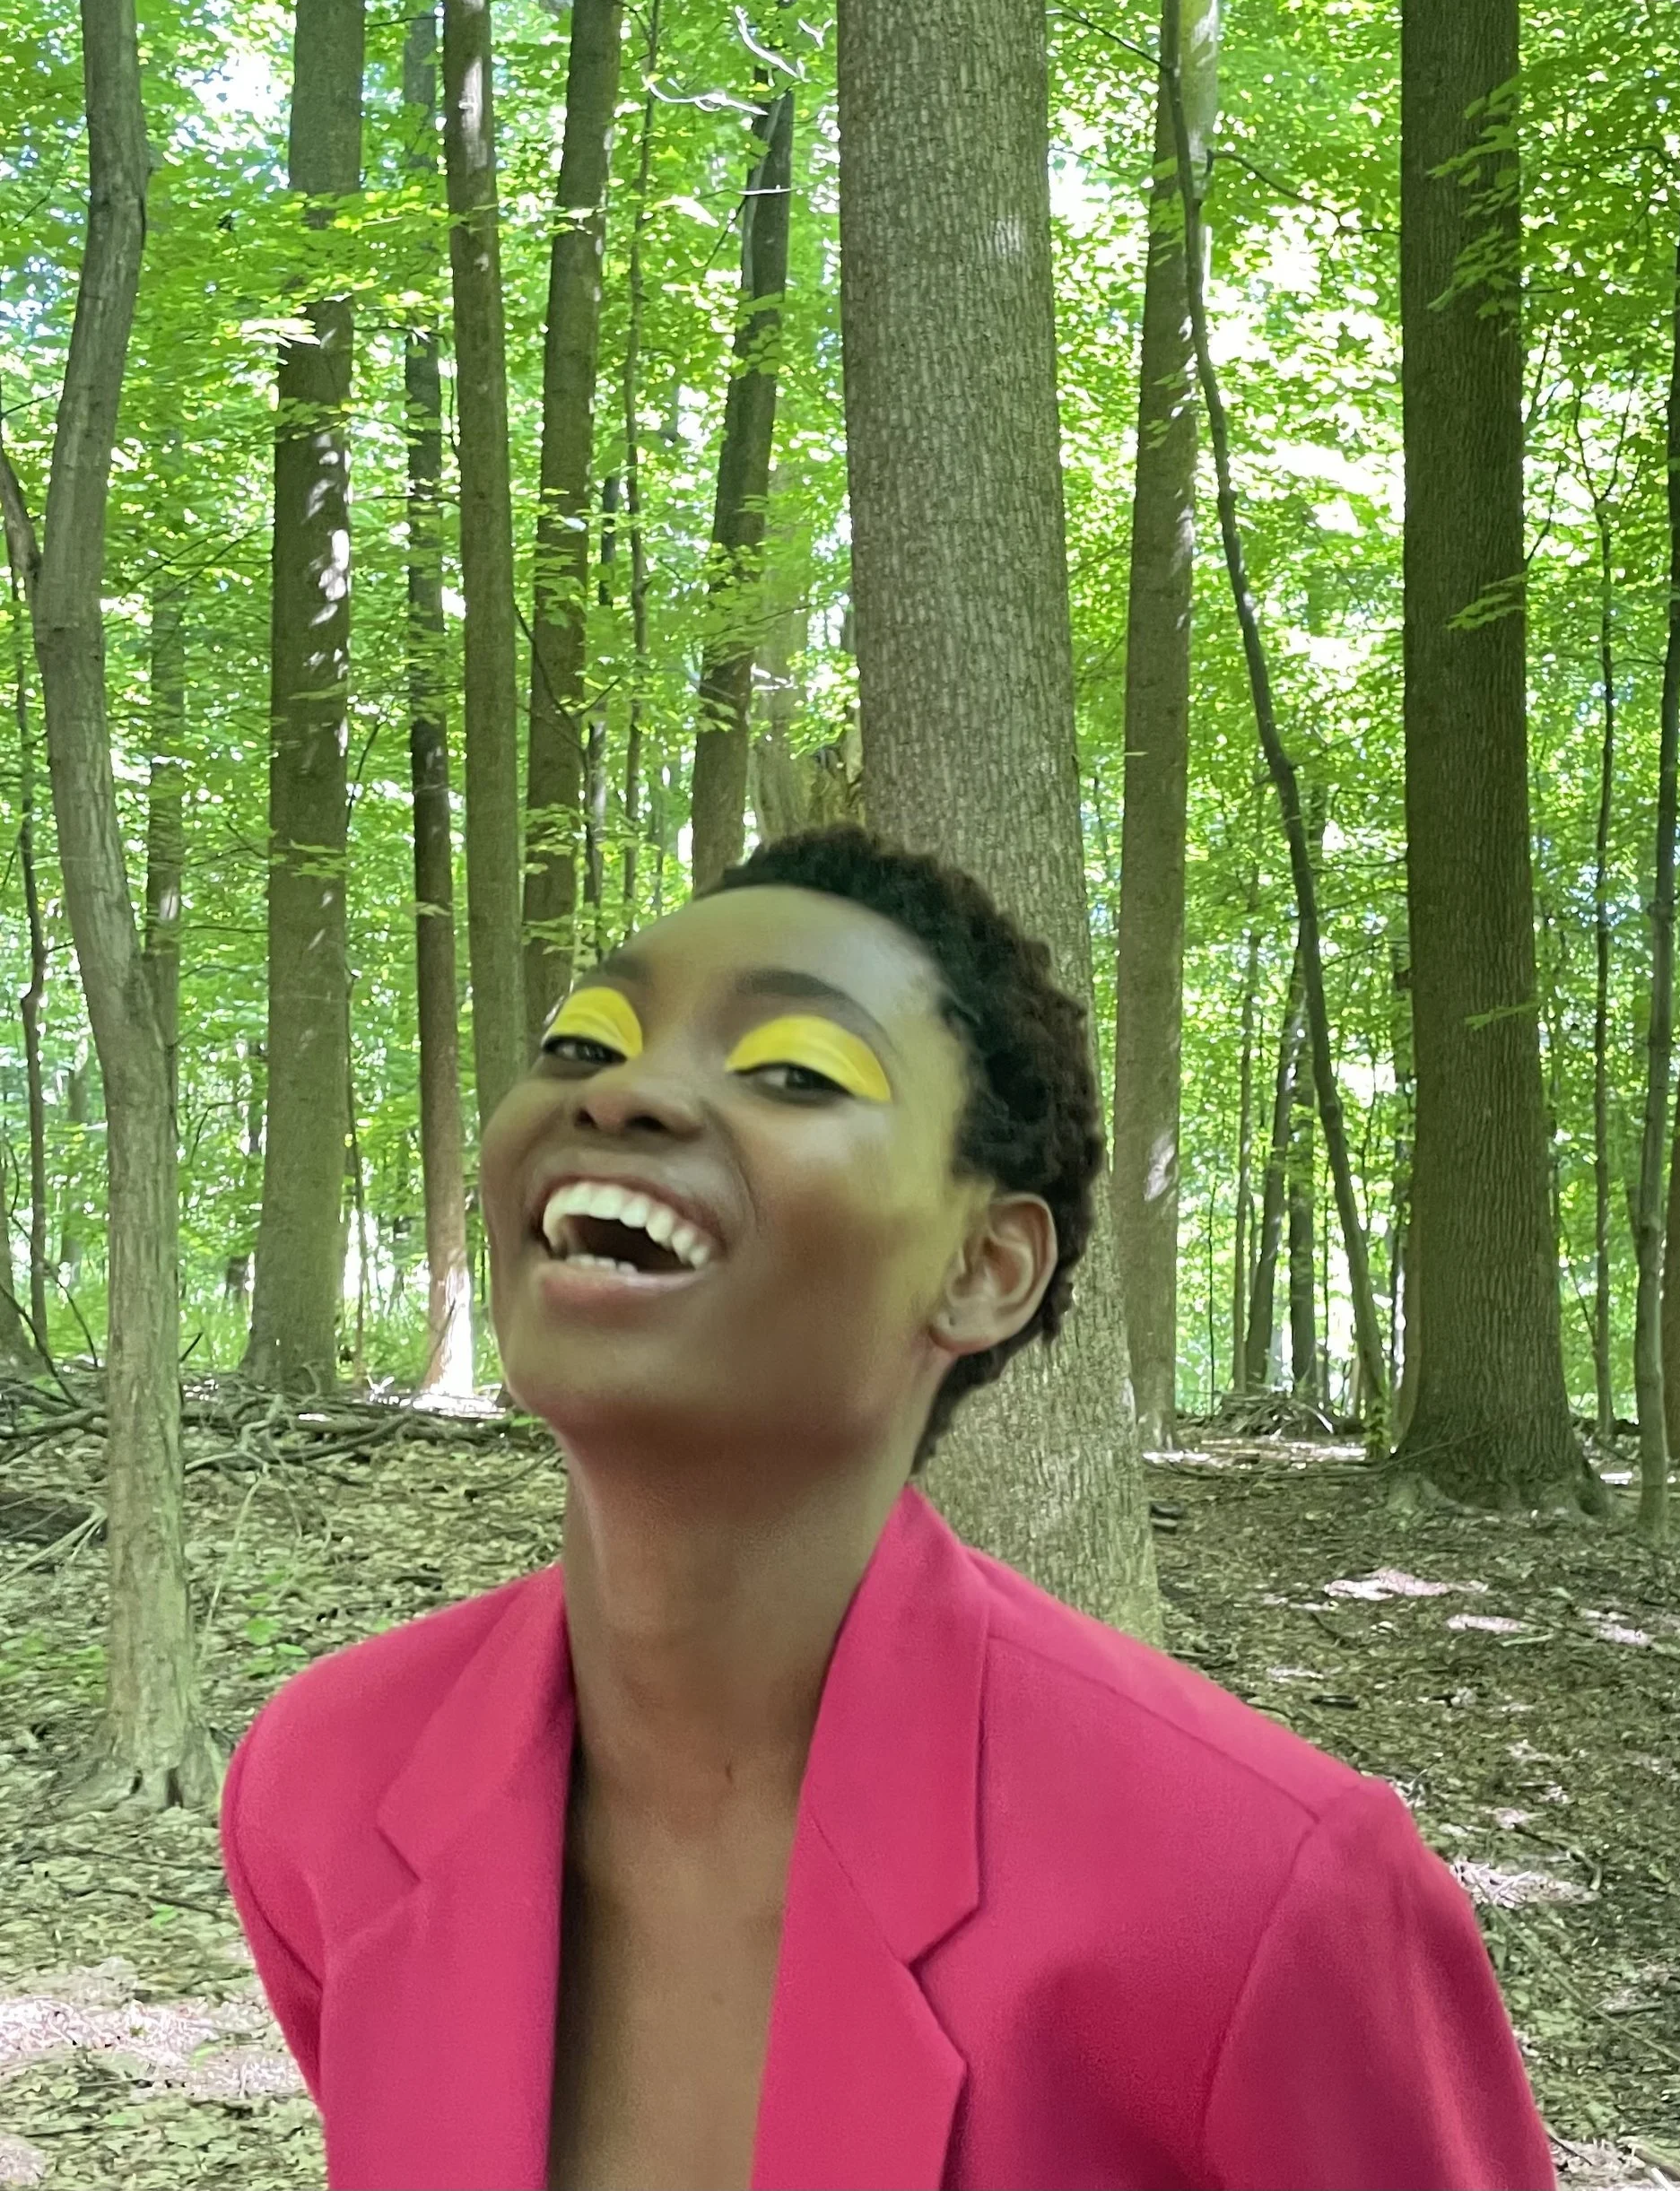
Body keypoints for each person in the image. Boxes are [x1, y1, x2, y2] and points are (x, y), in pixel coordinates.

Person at [221, 823, 1556, 2191]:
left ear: (984, 1269)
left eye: (794, 1071)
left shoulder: (1267, 1895)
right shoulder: (321, 1794)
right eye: (580, 1044)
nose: (623, 1093)